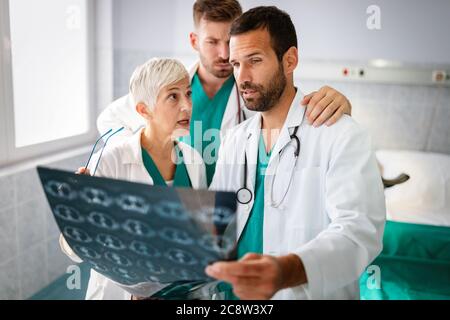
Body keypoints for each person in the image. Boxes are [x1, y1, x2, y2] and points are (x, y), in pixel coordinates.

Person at [206, 6, 386, 300]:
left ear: (290, 60)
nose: (243, 77)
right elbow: (214, 221)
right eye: (236, 64)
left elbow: (359, 232)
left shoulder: (340, 134)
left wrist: (286, 271)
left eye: (254, 60)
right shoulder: (235, 140)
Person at [97, 0, 353, 186]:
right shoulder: (168, 86)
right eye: (212, 42)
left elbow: (289, 106)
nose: (224, 54)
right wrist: (135, 153)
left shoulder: (254, 91)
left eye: (229, 41)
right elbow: (109, 120)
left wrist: (339, 104)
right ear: (194, 41)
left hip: (229, 203)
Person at [60, 58, 207, 300]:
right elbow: (73, 251)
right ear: (143, 110)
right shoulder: (109, 160)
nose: (187, 106)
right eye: (173, 97)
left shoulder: (194, 161)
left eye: (188, 94)